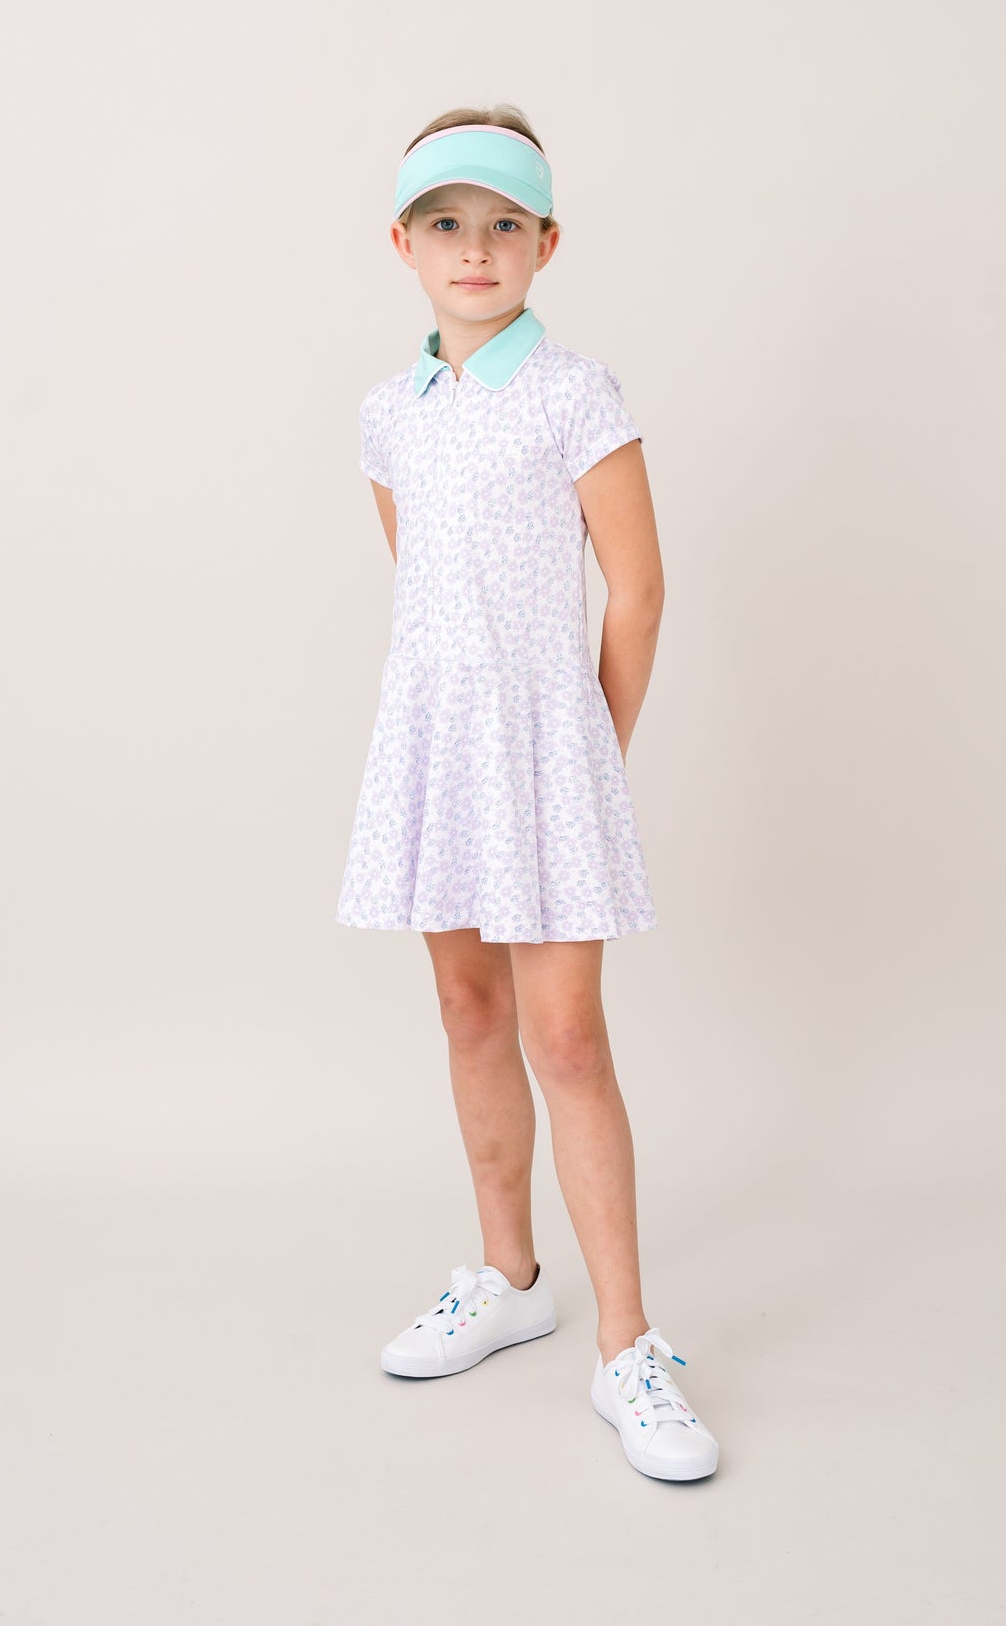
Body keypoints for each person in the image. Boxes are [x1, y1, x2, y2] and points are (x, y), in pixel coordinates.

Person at [335, 105, 719, 1483]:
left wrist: (587, 749)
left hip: (550, 749)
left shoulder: (574, 393)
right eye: (445, 222)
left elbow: (638, 589)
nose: (475, 247)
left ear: (546, 242)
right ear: (403, 244)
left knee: (567, 1038)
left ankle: (627, 1344)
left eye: (504, 223)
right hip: (440, 743)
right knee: (466, 1008)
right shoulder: (389, 414)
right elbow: (423, 580)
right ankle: (507, 1277)